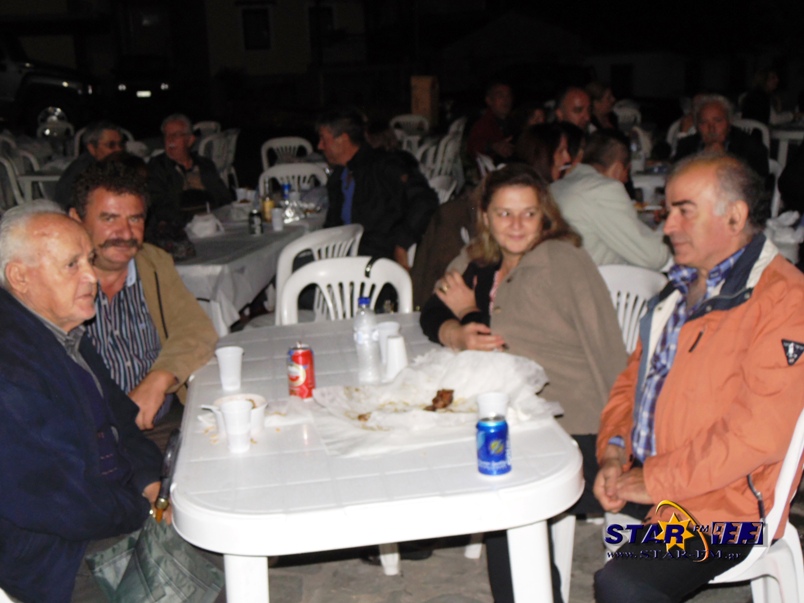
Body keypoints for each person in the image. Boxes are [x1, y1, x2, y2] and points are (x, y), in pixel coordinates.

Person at [593, 153, 804, 602]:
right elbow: (632, 382)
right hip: (654, 474)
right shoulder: (682, 287)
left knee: (625, 584)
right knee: (523, 485)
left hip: (726, 508)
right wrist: (613, 450)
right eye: (668, 211)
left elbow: (756, 436)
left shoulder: (785, 300)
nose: (668, 226)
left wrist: (654, 481)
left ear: (735, 216)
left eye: (684, 211)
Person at [420, 164, 626, 602]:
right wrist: (456, 332)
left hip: (573, 430)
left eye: (528, 214)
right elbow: (434, 308)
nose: (516, 225)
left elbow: (609, 353)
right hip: (513, 419)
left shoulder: (563, 262)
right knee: (429, 450)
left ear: (544, 216)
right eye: (504, 213)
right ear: (485, 216)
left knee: (502, 490)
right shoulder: (480, 259)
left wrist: (618, 443)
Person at [0, 201, 162, 601]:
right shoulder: (10, 367)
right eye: (71, 265)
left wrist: (150, 482)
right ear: (19, 277)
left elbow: (122, 421)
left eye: (88, 259)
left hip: (105, 512)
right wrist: (145, 512)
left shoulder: (62, 330)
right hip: (57, 562)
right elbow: (59, 501)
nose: (91, 275)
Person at [70, 160, 218, 430]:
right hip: (90, 434)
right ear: (76, 220)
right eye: (109, 218)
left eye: (135, 219)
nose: (125, 233)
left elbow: (197, 329)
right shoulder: (57, 280)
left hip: (161, 423)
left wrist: (159, 379)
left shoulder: (153, 264)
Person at [318, 106, 438, 268]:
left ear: (343, 139)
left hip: (375, 260)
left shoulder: (383, 166)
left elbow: (425, 200)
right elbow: (332, 224)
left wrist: (402, 244)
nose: (320, 146)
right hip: (343, 254)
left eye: (324, 139)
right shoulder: (339, 175)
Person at [551, 130, 671, 270]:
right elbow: (655, 257)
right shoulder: (603, 190)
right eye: (627, 172)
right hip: (597, 280)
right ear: (617, 169)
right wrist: (669, 222)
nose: (626, 180)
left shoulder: (556, 186)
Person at [146, 113, 232, 230]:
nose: (170, 140)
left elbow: (225, 198)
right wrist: (194, 220)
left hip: (212, 224)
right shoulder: (157, 167)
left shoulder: (204, 165)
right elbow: (160, 208)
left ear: (190, 140)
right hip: (180, 229)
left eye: (176, 135)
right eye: (167, 135)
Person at [673, 94, 769, 178]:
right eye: (704, 123)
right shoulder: (686, 145)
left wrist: (725, 159)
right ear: (697, 126)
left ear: (729, 121)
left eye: (718, 121)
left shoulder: (750, 146)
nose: (711, 129)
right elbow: (675, 176)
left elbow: (758, 183)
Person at [55, 120, 125, 209]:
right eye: (111, 145)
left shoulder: (108, 166)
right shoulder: (86, 172)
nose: (118, 149)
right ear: (91, 148)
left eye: (121, 144)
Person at [466, 81, 515, 162]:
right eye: (500, 96)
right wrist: (493, 146)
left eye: (508, 95)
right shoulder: (483, 124)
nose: (506, 100)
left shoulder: (516, 121)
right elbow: (473, 147)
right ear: (489, 100)